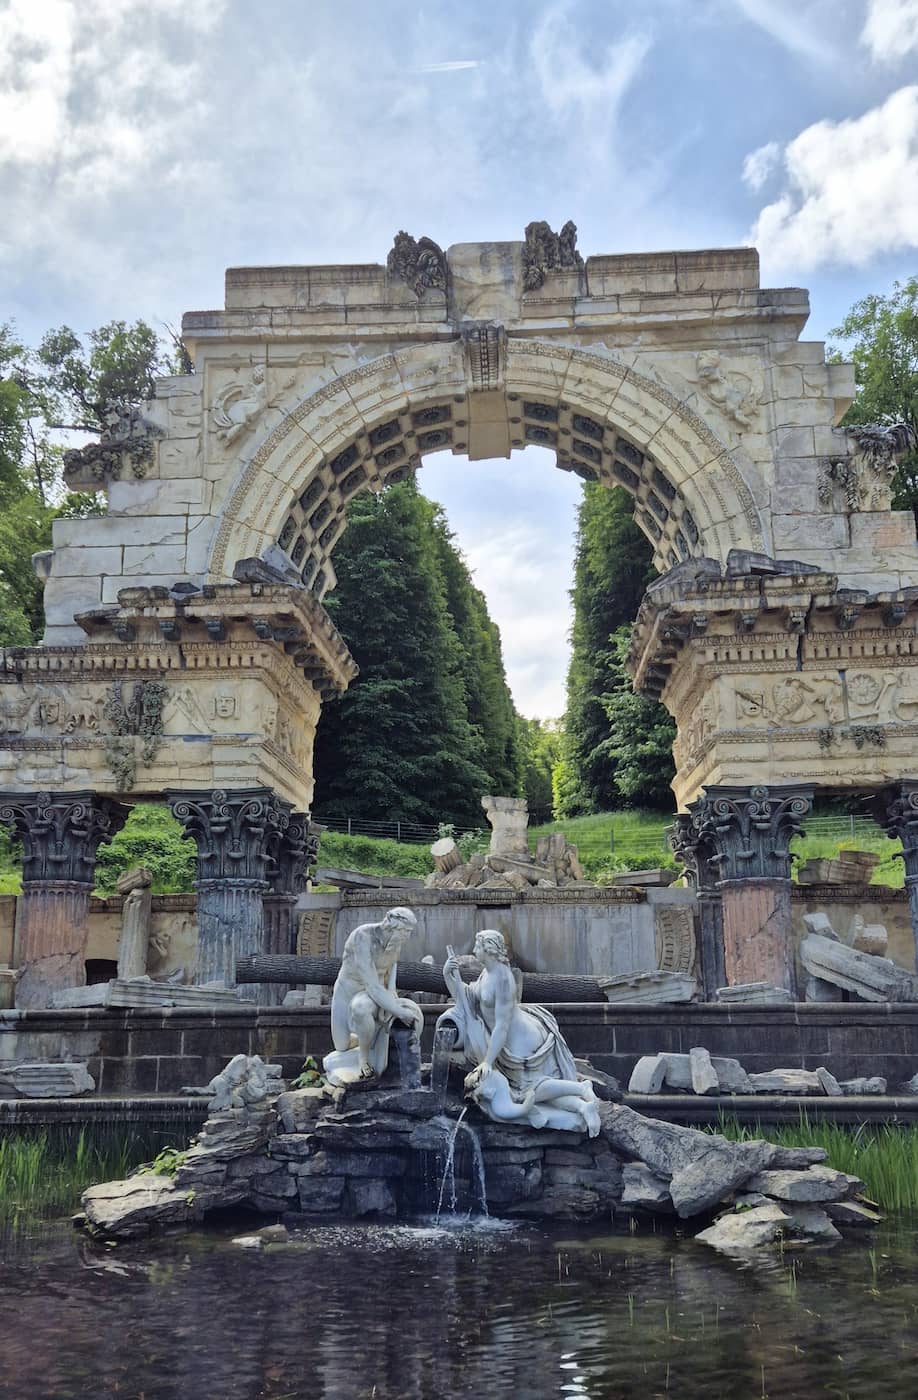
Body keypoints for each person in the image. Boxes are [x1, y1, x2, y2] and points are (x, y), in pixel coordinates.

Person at [438, 929, 599, 1134]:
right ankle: (582, 1105)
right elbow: (468, 998)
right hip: (502, 1041)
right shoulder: (486, 973)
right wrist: (448, 975)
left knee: (527, 1092)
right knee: (528, 1094)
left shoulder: (503, 979)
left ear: (488, 949)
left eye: (478, 946)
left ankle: (580, 1089)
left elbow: (502, 1026)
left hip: (519, 1041)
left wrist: (488, 1060)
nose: (473, 949)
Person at [323, 907, 423, 1086]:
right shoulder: (363, 936)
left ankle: (364, 1058)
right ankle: (367, 1035)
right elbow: (371, 984)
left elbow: (392, 967)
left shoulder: (394, 941)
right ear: (393, 927)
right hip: (350, 990)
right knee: (341, 1046)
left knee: (362, 1008)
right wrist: (398, 1011)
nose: (407, 937)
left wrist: (392, 994)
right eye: (406, 932)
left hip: (372, 994)